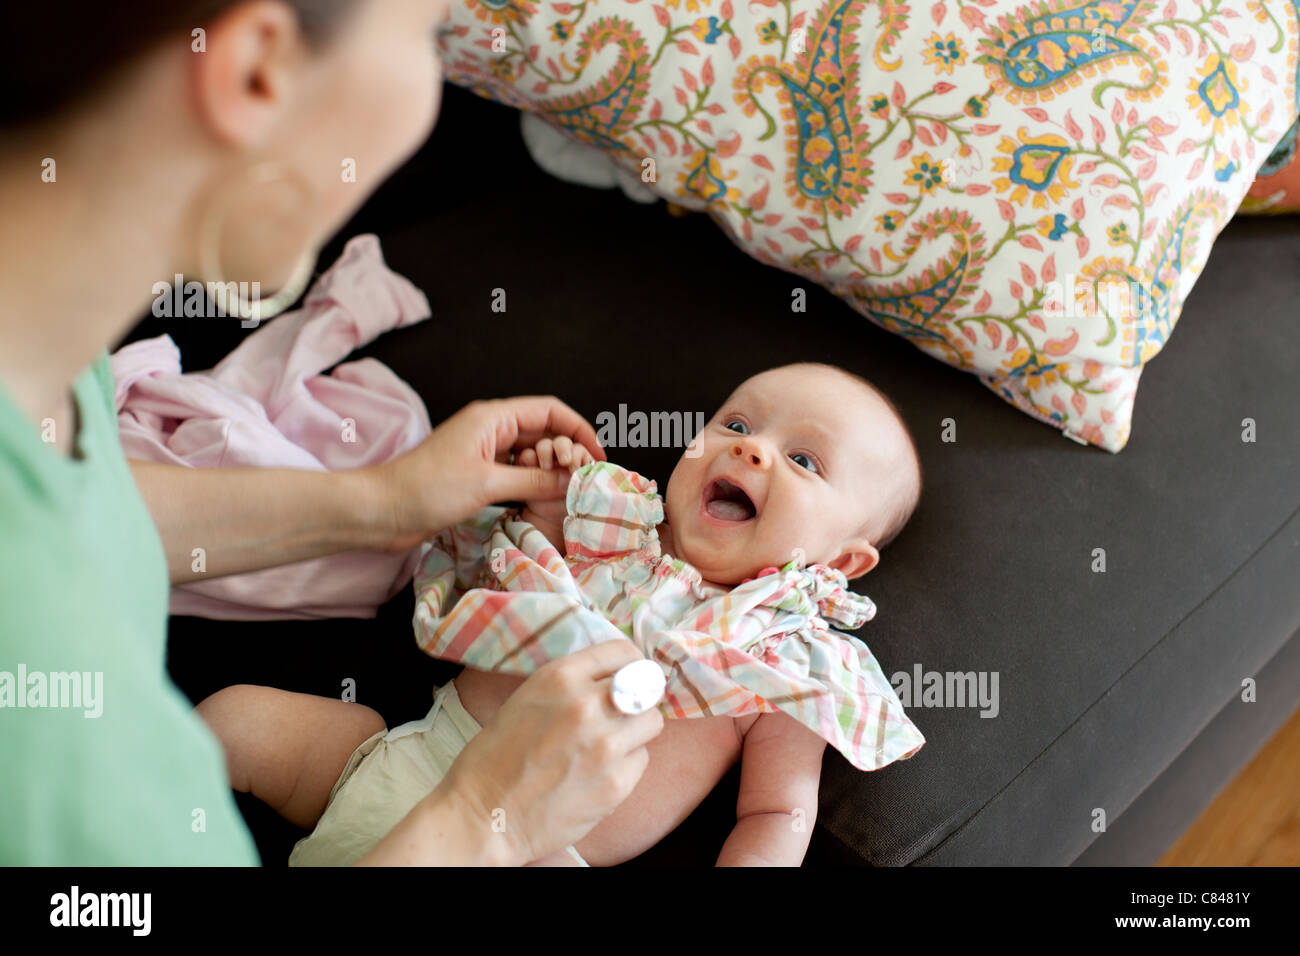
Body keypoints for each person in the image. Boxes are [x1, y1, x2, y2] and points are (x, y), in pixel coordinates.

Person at [0, 0, 662, 866]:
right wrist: (484, 821)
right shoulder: (62, 740)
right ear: (253, 70)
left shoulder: (41, 340)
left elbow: (80, 505)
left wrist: (382, 505)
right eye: (426, 36)